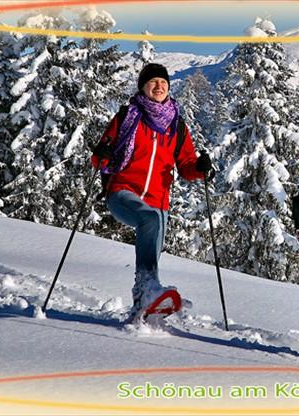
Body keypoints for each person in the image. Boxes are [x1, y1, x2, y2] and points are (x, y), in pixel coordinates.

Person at [91, 63, 214, 322]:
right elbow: (101, 154)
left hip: (159, 203)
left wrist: (201, 170)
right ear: (143, 87)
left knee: (151, 253)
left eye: (163, 82)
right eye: (153, 82)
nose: (159, 86)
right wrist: (101, 156)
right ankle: (148, 292)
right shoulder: (128, 117)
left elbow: (188, 166)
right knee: (149, 219)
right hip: (123, 192)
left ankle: (142, 307)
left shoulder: (176, 126)